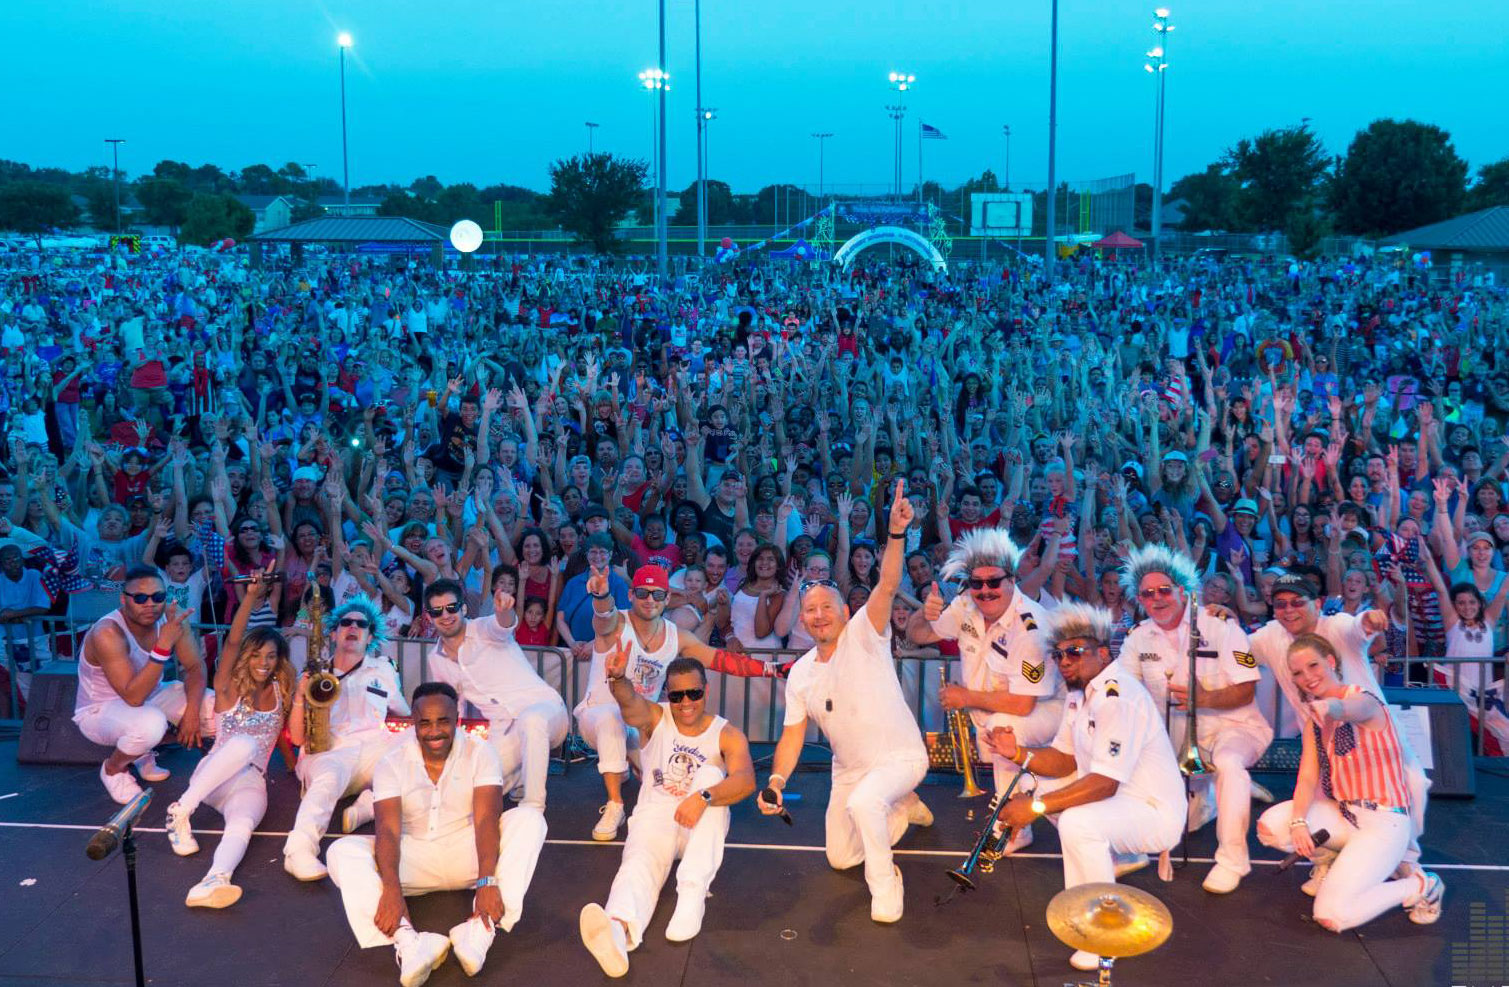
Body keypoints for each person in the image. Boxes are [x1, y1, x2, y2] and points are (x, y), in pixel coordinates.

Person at [758, 481, 933, 924]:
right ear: (802, 620)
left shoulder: (865, 635)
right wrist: (776, 781)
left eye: (827, 607)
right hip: (850, 772)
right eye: (810, 610)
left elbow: (888, 583)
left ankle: (886, 885)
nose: (819, 615)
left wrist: (896, 533)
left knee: (865, 805)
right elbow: (792, 736)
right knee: (840, 858)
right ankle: (903, 807)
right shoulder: (801, 673)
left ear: (844, 612)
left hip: (900, 758)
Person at [984, 602, 1184, 973]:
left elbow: (1104, 784)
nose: (1065, 661)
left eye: (1075, 652)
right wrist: (1016, 753)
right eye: (1058, 654)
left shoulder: (1118, 697)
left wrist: (1035, 808)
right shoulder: (1080, 694)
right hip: (1122, 801)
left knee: (1078, 823)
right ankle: (1086, 901)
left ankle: (1102, 933)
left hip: (1153, 811)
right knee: (1034, 784)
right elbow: (1064, 759)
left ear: (1103, 653)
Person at [326, 682, 549, 986]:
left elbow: (487, 819)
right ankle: (409, 941)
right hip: (413, 857)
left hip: (468, 853)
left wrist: (487, 881)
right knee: (341, 852)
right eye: (425, 723)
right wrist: (391, 889)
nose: (434, 731)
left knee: (529, 820)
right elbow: (387, 830)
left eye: (443, 721)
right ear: (413, 722)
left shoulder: (481, 752)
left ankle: (481, 928)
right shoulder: (391, 761)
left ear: (457, 717)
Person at [579, 650, 755, 977]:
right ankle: (617, 930)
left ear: (706, 691)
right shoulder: (657, 718)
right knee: (637, 865)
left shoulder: (726, 733)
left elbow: (745, 780)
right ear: (667, 695)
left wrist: (703, 797)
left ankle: (691, 895)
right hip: (657, 816)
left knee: (710, 776)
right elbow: (630, 704)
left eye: (694, 693)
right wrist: (618, 679)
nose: (686, 702)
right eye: (677, 696)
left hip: (699, 825)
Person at [1246, 572, 1432, 882]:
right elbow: (1241, 655)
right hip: (1325, 743)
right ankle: (1327, 862)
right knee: (1321, 804)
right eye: (1281, 604)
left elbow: (1358, 627)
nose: (1289, 610)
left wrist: (1370, 621)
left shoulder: (1336, 626)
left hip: (1375, 737)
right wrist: (1223, 626)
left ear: (1317, 604)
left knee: (1413, 785)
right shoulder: (1269, 637)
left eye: (1297, 602)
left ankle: (1405, 864)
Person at [575, 562, 780, 841]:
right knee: (612, 719)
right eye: (643, 593)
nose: (650, 600)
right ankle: (615, 805)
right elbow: (603, 617)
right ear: (631, 595)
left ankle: (628, 768)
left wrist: (770, 669)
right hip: (597, 716)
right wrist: (601, 595)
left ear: (668, 598)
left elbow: (721, 660)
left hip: (640, 725)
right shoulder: (616, 624)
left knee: (674, 781)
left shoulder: (676, 636)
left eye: (658, 594)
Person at [1254, 634, 1444, 931]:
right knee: (1272, 826)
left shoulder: (1365, 700)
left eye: (1313, 666)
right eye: (1298, 673)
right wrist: (1299, 823)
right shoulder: (1314, 722)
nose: (1307, 677)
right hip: (1344, 815)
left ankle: (1421, 885)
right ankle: (1331, 862)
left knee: (1332, 915)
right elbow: (1307, 777)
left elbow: (1351, 708)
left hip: (1384, 822)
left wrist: (1332, 708)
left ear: (1331, 661)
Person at [1116, 544, 1273, 894]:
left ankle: (1232, 861)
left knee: (1229, 764)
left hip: (1235, 727)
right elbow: (1125, 692)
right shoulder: (1137, 637)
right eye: (1147, 594)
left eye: (1163, 590)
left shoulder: (1220, 625)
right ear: (1139, 600)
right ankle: (1200, 801)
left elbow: (1246, 690)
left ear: (1182, 590)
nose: (1156, 599)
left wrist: (1205, 698)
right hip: (1176, 739)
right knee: (1167, 820)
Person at [906, 527, 1065, 853]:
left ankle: (1012, 828)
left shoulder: (1030, 626)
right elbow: (918, 635)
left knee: (1003, 731)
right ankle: (1095, 837)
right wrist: (924, 612)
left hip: (1051, 710)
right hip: (1000, 711)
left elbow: (1024, 705)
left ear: (1012, 580)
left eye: (993, 582)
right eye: (976, 583)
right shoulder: (965, 606)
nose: (985, 591)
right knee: (1038, 779)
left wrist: (966, 697)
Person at [162, 565, 293, 907]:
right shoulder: (226, 686)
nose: (263, 662)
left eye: (271, 656)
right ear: (247, 657)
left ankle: (214, 879)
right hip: (212, 778)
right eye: (257, 655)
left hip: (251, 781)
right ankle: (180, 812)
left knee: (243, 824)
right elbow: (233, 640)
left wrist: (294, 766)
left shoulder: (281, 693)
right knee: (244, 743)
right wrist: (251, 597)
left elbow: (278, 736)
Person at [283, 593, 412, 881]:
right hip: (332, 751)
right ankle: (299, 851)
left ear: (370, 637)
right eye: (346, 623)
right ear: (333, 633)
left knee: (418, 741)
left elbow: (405, 714)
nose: (353, 627)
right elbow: (297, 739)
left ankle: (367, 805)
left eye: (361, 624)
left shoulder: (383, 670)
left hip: (374, 749)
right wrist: (301, 696)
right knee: (327, 780)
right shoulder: (316, 674)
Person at [414, 577, 568, 811]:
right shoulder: (436, 658)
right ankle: (518, 775)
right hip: (503, 730)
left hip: (545, 709)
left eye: (451, 607)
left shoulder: (483, 628)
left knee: (531, 720)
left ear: (464, 609)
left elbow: (503, 625)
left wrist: (504, 610)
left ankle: (533, 806)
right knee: (471, 789)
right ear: (429, 617)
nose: (445, 615)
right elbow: (453, 708)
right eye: (437, 611)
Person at [74, 564, 214, 803]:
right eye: (140, 598)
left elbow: (194, 667)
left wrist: (191, 714)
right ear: (123, 599)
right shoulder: (107, 632)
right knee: (151, 724)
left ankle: (141, 751)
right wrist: (163, 646)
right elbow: (133, 697)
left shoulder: (172, 616)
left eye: (158, 597)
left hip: (151, 694)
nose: (150, 604)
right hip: (100, 711)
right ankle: (113, 769)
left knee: (215, 710)